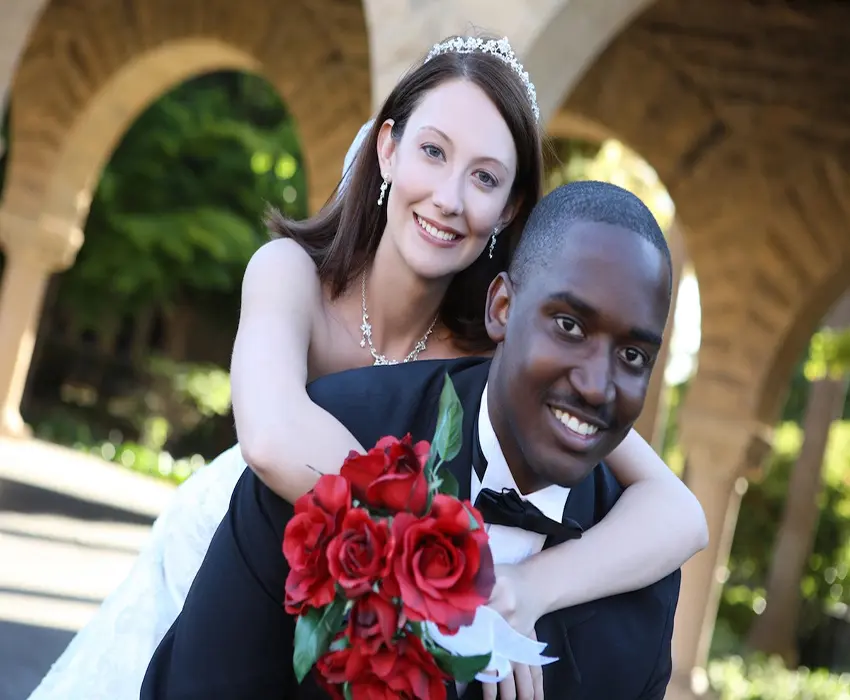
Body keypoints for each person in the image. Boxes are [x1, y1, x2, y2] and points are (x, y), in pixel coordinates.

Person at [27, 34, 705, 700]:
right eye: (433, 153)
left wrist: (527, 589)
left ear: (510, 208)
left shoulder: (488, 360)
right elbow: (268, 438)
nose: (449, 197)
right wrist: (446, 572)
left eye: (485, 178)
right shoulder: (292, 276)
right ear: (387, 148)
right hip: (197, 586)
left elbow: (679, 514)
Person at [141, 179, 680, 699]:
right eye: (568, 325)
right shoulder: (332, 440)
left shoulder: (642, 588)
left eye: (633, 356)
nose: (595, 385)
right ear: (502, 309)